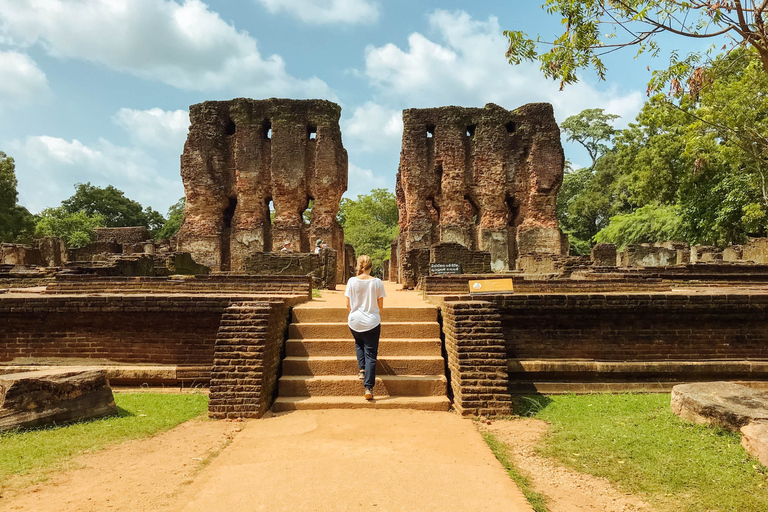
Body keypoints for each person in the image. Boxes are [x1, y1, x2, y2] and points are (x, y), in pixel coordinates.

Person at [345, 255, 386, 400]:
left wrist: (357, 316)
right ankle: (368, 388)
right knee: (371, 354)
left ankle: (362, 369)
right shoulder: (377, 282)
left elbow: (348, 305)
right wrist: (372, 315)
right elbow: (380, 306)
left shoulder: (351, 281)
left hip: (354, 321)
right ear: (371, 266)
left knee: (359, 343)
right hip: (371, 322)